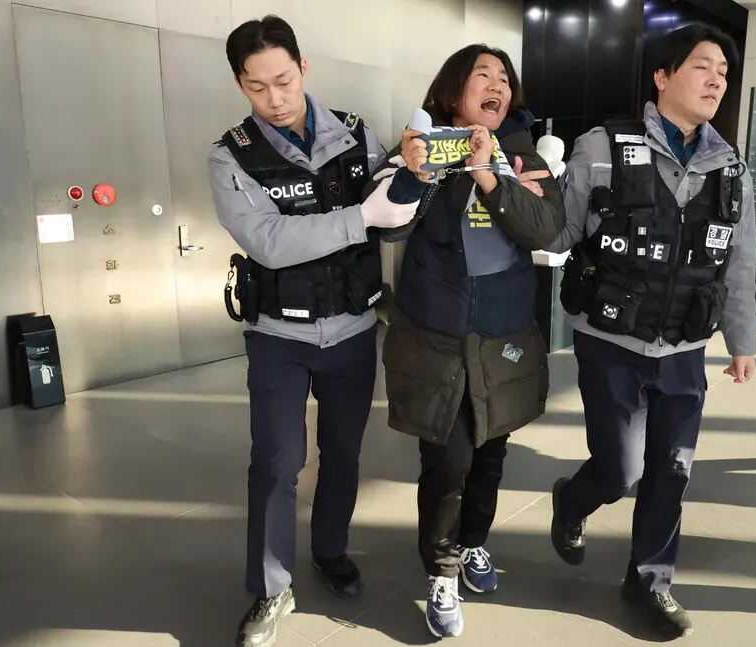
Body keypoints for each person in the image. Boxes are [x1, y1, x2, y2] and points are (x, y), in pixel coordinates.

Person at [208, 16, 419, 647]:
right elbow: (269, 242)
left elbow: (392, 221)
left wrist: (410, 179)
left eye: (283, 79)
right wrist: (361, 215)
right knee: (276, 463)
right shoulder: (231, 154)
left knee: (345, 455)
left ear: (303, 68)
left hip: (354, 331)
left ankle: (331, 550)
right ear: (241, 86)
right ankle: (272, 588)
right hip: (279, 335)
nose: (274, 98)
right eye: (256, 87)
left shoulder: (356, 135)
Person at [544, 23, 756, 639]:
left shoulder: (731, 168)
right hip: (610, 341)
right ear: (662, 76)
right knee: (621, 470)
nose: (717, 79)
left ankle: (650, 582)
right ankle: (575, 498)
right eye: (702, 66)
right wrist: (516, 194)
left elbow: (737, 264)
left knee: (673, 469)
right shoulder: (601, 147)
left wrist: (741, 342)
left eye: (723, 70)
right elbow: (559, 235)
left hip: (685, 347)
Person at [365, 44, 565, 638]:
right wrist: (413, 171)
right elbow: (386, 227)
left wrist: (489, 172)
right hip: (436, 336)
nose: (497, 84)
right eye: (483, 75)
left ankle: (474, 543)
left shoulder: (525, 156)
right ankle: (442, 571)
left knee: (491, 455)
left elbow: (545, 227)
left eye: (504, 77)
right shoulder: (422, 150)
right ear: (453, 92)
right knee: (447, 459)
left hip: (503, 336)